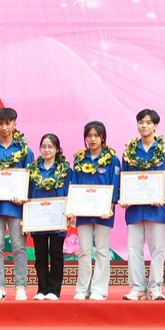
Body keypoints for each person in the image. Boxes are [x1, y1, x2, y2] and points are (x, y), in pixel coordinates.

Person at [122, 108, 165, 301]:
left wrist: (163, 194)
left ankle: (155, 288)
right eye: (141, 122)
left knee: (157, 250)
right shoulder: (129, 151)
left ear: (155, 126)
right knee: (133, 249)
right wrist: (124, 196)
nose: (144, 126)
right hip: (135, 209)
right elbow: (124, 177)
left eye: (148, 123)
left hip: (157, 209)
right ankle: (137, 288)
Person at [0, 107, 33, 301]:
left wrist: (24, 197)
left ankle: (20, 287)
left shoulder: (25, 150)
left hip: (17, 206)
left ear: (14, 124)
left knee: (19, 246)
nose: (4, 127)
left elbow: (31, 178)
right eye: (1, 123)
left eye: (8, 123)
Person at [70, 121, 118, 301]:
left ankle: (99, 289)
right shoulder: (79, 159)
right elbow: (75, 184)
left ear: (103, 138)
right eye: (89, 136)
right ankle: (82, 289)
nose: (92, 139)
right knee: (84, 250)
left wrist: (110, 206)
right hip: (83, 213)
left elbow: (115, 184)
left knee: (102, 250)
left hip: (104, 212)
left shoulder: (112, 160)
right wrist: (73, 208)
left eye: (96, 136)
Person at [27, 134, 70, 300]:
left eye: (50, 147)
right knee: (40, 255)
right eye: (44, 146)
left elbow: (70, 192)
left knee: (56, 254)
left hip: (58, 218)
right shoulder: (33, 170)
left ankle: (54, 290)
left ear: (57, 149)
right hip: (38, 219)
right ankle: (42, 289)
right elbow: (28, 193)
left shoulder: (65, 170)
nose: (46, 150)